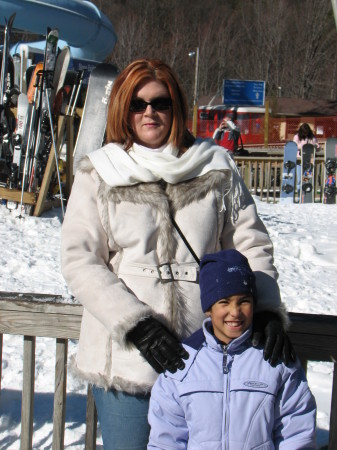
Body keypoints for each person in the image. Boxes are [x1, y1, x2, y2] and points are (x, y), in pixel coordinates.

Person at [61, 58, 294, 450]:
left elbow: (250, 243)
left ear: (176, 108)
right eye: (138, 104)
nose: (149, 112)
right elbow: (79, 259)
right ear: (122, 109)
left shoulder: (214, 167)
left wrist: (267, 308)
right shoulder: (99, 172)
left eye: (160, 102)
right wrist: (134, 323)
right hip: (126, 359)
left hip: (201, 356)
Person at [148, 249, 317, 450]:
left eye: (244, 301)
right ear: (208, 308)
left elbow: (296, 432)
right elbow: (166, 439)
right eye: (224, 302)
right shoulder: (183, 363)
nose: (235, 312)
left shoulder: (274, 359)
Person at [293, 123, 320, 193]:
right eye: (304, 132)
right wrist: (304, 146)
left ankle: (305, 193)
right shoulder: (297, 137)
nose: (305, 134)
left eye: (306, 132)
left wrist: (316, 147)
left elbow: (316, 144)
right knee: (299, 179)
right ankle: (299, 193)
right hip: (300, 159)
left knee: (307, 178)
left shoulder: (312, 137)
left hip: (309, 160)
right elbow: (295, 145)